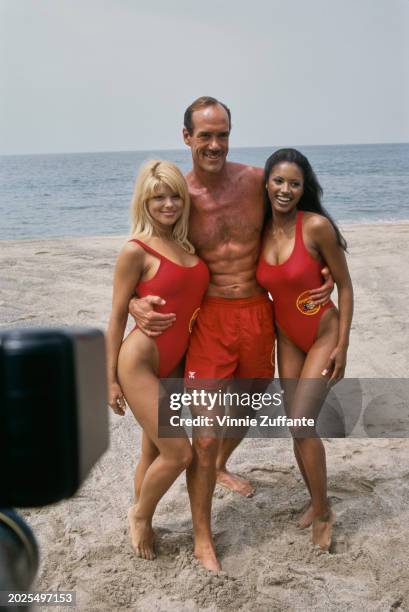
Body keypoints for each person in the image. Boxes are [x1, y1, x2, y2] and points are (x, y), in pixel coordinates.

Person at [129, 97, 334, 570]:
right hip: (211, 321)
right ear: (187, 138)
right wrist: (138, 299)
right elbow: (150, 245)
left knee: (251, 401)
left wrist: (322, 273)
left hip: (259, 317)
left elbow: (297, 217)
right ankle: (203, 536)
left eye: (222, 134)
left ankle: (219, 464)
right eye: (205, 136)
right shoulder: (181, 198)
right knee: (201, 436)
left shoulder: (254, 183)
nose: (215, 144)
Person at [106, 160, 209, 561]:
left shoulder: (186, 246)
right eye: (158, 197)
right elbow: (116, 316)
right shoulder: (135, 250)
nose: (168, 204)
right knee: (179, 453)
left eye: (174, 196)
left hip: (175, 365)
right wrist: (109, 379)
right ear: (144, 202)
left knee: (153, 452)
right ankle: (140, 515)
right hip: (140, 362)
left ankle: (142, 517)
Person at [256, 148, 353, 550]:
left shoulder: (315, 227)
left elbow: (345, 286)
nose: (285, 189)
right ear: (266, 183)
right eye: (278, 181)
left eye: (294, 183)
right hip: (287, 338)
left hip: (323, 333)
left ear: (303, 188)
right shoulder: (257, 230)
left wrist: (343, 345)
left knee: (300, 423)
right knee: (297, 426)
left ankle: (324, 512)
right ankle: (317, 502)